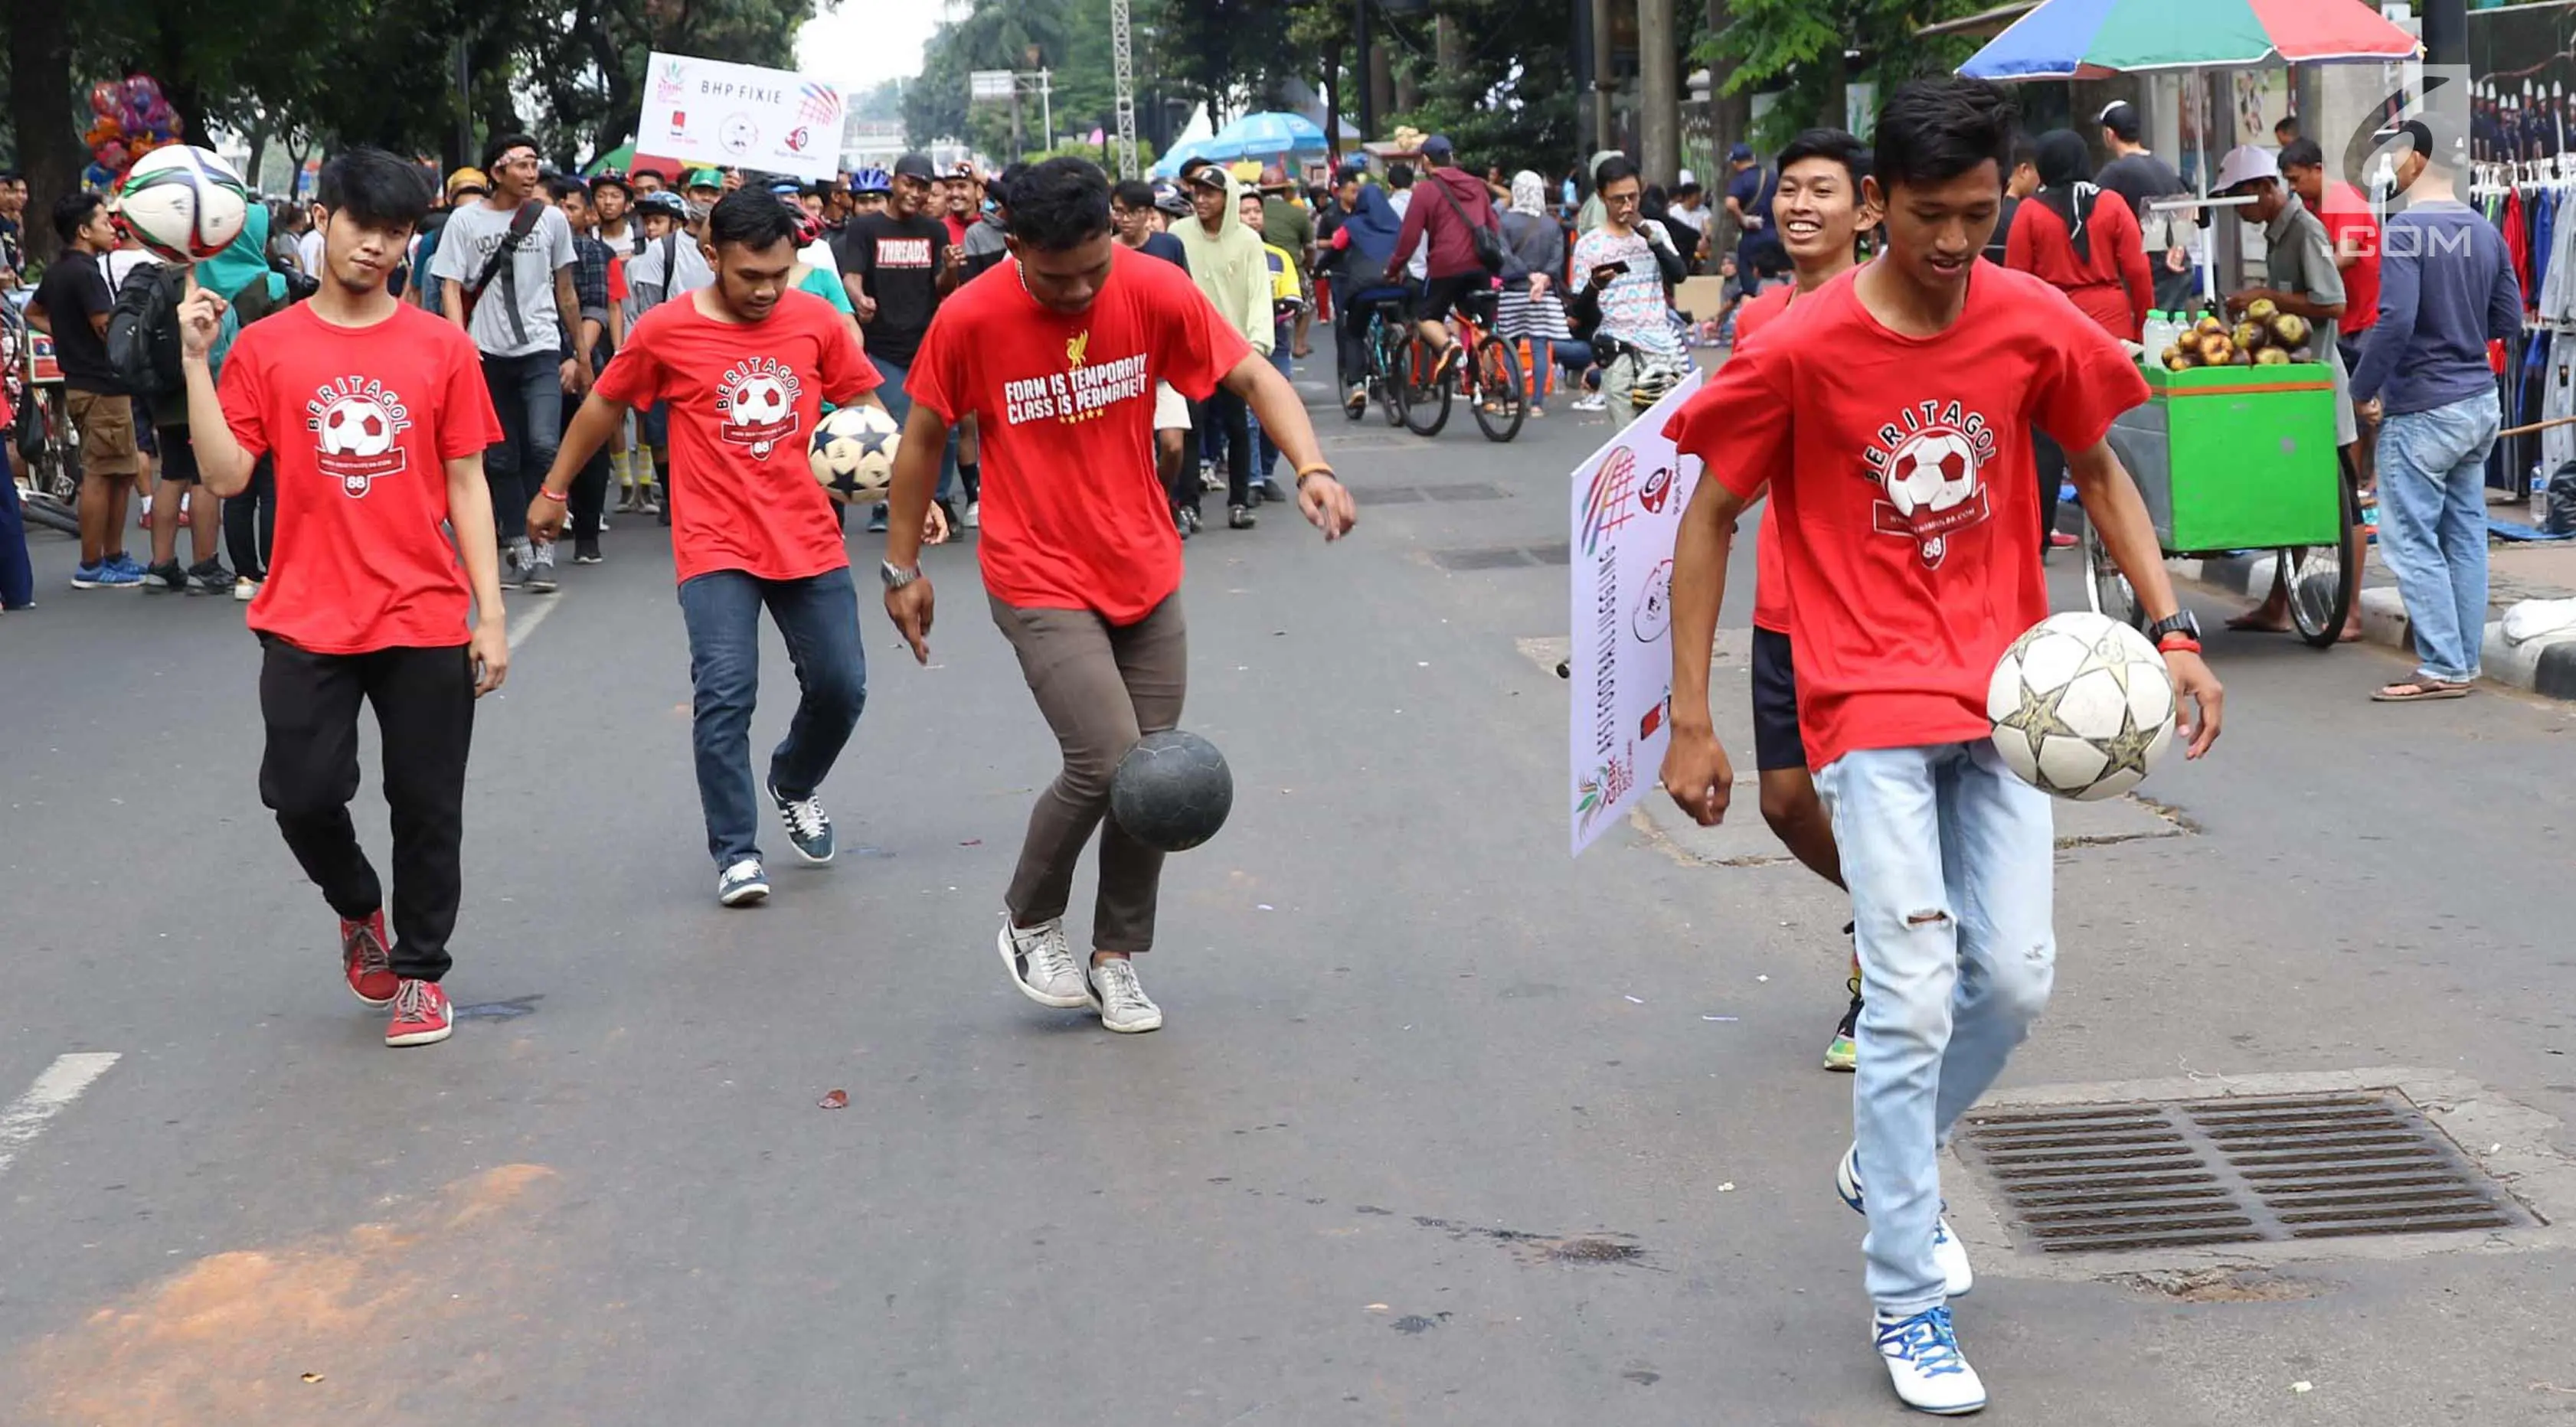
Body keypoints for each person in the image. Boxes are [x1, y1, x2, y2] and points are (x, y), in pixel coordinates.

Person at [1659, 77, 2221, 1415]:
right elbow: (1706, 519)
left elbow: (2095, 469)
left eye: (1978, 214)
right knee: (1909, 995)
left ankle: (1887, 1146)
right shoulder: (1796, 346)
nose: (1954, 242)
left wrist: (2173, 628)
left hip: (2007, 697)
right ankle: (1906, 1294)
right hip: (1863, 699)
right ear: (1872, 204)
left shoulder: (2027, 322)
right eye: (1926, 216)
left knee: (2014, 980)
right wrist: (1690, 714)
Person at [877, 157, 1356, 1035]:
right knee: (1108, 759)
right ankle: (1029, 919)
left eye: (1096, 266)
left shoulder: (1151, 286)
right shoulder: (971, 314)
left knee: (1156, 774)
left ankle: (1114, 958)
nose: (1082, 290)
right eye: (1060, 277)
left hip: (1144, 567)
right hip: (1036, 573)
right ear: (1013, 243)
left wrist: (1311, 465)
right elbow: (921, 440)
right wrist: (901, 571)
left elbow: (1249, 376)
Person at [176, 147, 510, 1050]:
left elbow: (468, 482)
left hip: (421, 611)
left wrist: (492, 613)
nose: (375, 247)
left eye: (396, 233)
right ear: (323, 219)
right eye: (361, 225)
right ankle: (359, 905)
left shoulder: (441, 347)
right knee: (301, 792)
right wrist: (199, 364)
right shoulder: (270, 347)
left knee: (427, 801)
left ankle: (421, 972)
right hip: (305, 613)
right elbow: (226, 471)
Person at [533, 190, 907, 906]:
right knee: (725, 694)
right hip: (716, 543)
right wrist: (553, 490)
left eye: (779, 272)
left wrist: (902, 492)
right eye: (749, 276)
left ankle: (794, 780)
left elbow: (865, 407)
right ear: (712, 257)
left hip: (808, 534)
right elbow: (607, 403)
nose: (767, 290)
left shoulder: (817, 321)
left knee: (841, 687)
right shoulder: (665, 330)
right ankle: (737, 852)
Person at [1718, 127, 1878, 1073]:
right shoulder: (1756, 322)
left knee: (1874, 796)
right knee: (1784, 803)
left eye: (1821, 190)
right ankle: (1890, 908)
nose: (1798, 206)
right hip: (1785, 600)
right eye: (1788, 190)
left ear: (1865, 209)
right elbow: (1733, 469)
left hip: (1874, 609)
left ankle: (1884, 964)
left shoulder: (1899, 310)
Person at [2349, 118, 2524, 703]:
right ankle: (2461, 660)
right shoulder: (2482, 229)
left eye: (2393, 159)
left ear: (2418, 160)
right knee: (2466, 534)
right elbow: (2508, 320)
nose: (2386, 171)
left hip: (2425, 407)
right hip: (2478, 401)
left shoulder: (2406, 231)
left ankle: (2444, 665)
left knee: (2410, 539)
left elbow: (2395, 319)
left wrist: (2361, 387)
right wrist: (2460, 329)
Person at [2213, 142, 2366, 642]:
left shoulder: (2306, 230)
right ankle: (2280, 603)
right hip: (2291, 384)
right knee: (2294, 497)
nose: (2242, 212)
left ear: (2265, 189)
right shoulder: (2277, 235)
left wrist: (2265, 296)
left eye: (2244, 200)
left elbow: (2333, 303)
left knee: (2345, 497)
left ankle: (2353, 612)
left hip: (2321, 383)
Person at [432, 132, 582, 595]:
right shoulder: (464, 221)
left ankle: (544, 549)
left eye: (535, 163)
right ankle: (518, 546)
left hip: (540, 346)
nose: (531, 172)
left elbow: (566, 291)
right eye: (521, 164)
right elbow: (450, 286)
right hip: (485, 353)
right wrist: (460, 346)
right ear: (497, 171)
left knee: (543, 444)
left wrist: (578, 354)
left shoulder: (552, 220)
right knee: (500, 456)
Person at [2006, 129, 2154, 550]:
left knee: (2050, 436)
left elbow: (2017, 280)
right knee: (2114, 427)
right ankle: (2126, 524)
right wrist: (2146, 326)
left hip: (2054, 325)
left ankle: (2039, 533)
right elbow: (2139, 271)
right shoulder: (2111, 204)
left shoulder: (2030, 213)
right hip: (2111, 327)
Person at [838, 152, 963, 534]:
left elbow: (943, 288)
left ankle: (937, 497)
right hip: (882, 346)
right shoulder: (866, 228)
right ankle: (892, 503)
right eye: (909, 184)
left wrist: (952, 267)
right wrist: (860, 300)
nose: (915, 193)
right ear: (894, 182)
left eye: (923, 188)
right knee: (896, 428)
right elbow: (852, 276)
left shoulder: (935, 231)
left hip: (926, 345)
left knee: (947, 428)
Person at [28, 191, 146, 588]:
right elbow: (106, 327)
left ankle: (110, 555)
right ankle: (94, 563)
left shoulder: (60, 270)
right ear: (83, 230)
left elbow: (34, 312)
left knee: (120, 471)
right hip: (101, 384)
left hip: (85, 383)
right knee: (102, 473)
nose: (111, 227)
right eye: (102, 220)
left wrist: (66, 338)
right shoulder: (85, 273)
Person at [1174, 160, 1273, 530]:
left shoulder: (1248, 240)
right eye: (1196, 192)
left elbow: (1260, 293)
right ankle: (1188, 505)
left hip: (1234, 348)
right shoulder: (1179, 233)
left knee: (1238, 426)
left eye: (1209, 193)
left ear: (1226, 196)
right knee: (1190, 427)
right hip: (1191, 348)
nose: (1200, 199)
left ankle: (1239, 501)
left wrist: (1259, 343)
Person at [2280, 136, 2383, 484]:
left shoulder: (2345, 201)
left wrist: (2306, 284)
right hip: (2342, 322)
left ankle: (2376, 482)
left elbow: (2347, 254)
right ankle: (2351, 482)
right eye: (2288, 181)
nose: (2292, 187)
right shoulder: (2311, 206)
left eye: (2296, 179)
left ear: (2317, 170)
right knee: (2346, 410)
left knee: (2369, 409)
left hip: (2365, 321)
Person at [1568, 156, 1688, 415]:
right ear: (1601, 196)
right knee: (1630, 441)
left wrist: (1648, 235)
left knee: (1666, 438)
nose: (1627, 205)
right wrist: (1594, 284)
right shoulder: (1589, 245)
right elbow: (1578, 311)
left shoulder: (1655, 230)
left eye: (1633, 197)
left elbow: (1679, 274)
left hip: (1661, 350)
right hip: (1618, 352)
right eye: (1617, 199)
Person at [1112, 178, 1198, 531]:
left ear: (1149, 215)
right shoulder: (1105, 251)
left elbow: (1186, 297)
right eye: (1118, 212)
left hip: (1165, 368)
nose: (1124, 219)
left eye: (1131, 212)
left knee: (1172, 446)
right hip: (1121, 370)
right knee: (1132, 453)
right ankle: (1143, 512)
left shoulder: (1169, 247)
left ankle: (1162, 498)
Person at [623, 189, 713, 520]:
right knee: (659, 430)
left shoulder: (728, 249)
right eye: (702, 194)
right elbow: (648, 302)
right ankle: (672, 497)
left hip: (712, 352)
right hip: (668, 352)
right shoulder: (665, 248)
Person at [544, 175, 620, 565]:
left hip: (585, 361)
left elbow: (596, 308)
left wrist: (579, 357)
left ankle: (588, 533)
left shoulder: (591, 252)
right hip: (535, 361)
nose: (558, 214)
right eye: (550, 205)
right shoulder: (520, 248)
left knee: (588, 445)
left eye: (568, 207)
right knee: (541, 447)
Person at [1389, 136, 1500, 379]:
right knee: (1483, 326)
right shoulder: (1477, 185)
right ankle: (1491, 386)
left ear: (1426, 161)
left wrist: (1393, 268)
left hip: (1446, 267)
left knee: (1424, 317)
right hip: (1481, 265)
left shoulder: (1426, 191)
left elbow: (1409, 238)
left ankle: (1449, 346)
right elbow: (1493, 226)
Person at [1496, 169, 1587, 418]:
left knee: (1510, 344)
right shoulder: (1551, 224)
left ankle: (1516, 397)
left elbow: (1503, 254)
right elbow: (1558, 258)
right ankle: (1537, 403)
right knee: (1539, 345)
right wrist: (1543, 277)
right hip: (1543, 294)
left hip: (1514, 292)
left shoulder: (1504, 221)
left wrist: (1527, 275)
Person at [1321, 178, 1414, 420]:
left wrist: (1318, 270)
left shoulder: (1351, 225)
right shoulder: (1397, 224)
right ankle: (1399, 357)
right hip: (1397, 287)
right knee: (1399, 322)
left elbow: (1334, 250)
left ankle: (1357, 385)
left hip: (1364, 291)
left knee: (1353, 333)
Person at [2095, 100, 2195, 311]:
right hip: (2179, 268)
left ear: (2109, 134)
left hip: (2151, 275)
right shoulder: (2163, 165)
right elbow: (2187, 207)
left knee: (2151, 338)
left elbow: (2090, 210)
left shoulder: (2115, 173)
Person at [1259, 165, 1318, 358]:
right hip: (1291, 269)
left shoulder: (1252, 212)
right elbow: (1310, 247)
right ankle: (1299, 344)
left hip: (1258, 268)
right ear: (1285, 191)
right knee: (1308, 302)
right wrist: (1309, 268)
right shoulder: (1298, 214)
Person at [1981, 136, 2039, 266]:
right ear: (2024, 170)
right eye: (2038, 172)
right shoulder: (2023, 215)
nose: (2040, 181)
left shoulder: (1983, 212)